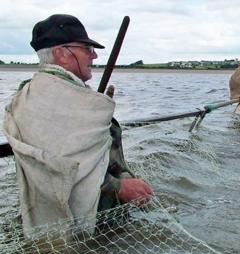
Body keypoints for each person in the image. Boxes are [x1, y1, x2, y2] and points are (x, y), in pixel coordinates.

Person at [3, 14, 153, 237]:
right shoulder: (50, 98)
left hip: (95, 217)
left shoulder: (51, 92)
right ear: (60, 53)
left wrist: (123, 178)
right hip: (87, 227)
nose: (94, 55)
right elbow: (59, 168)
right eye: (85, 48)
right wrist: (120, 187)